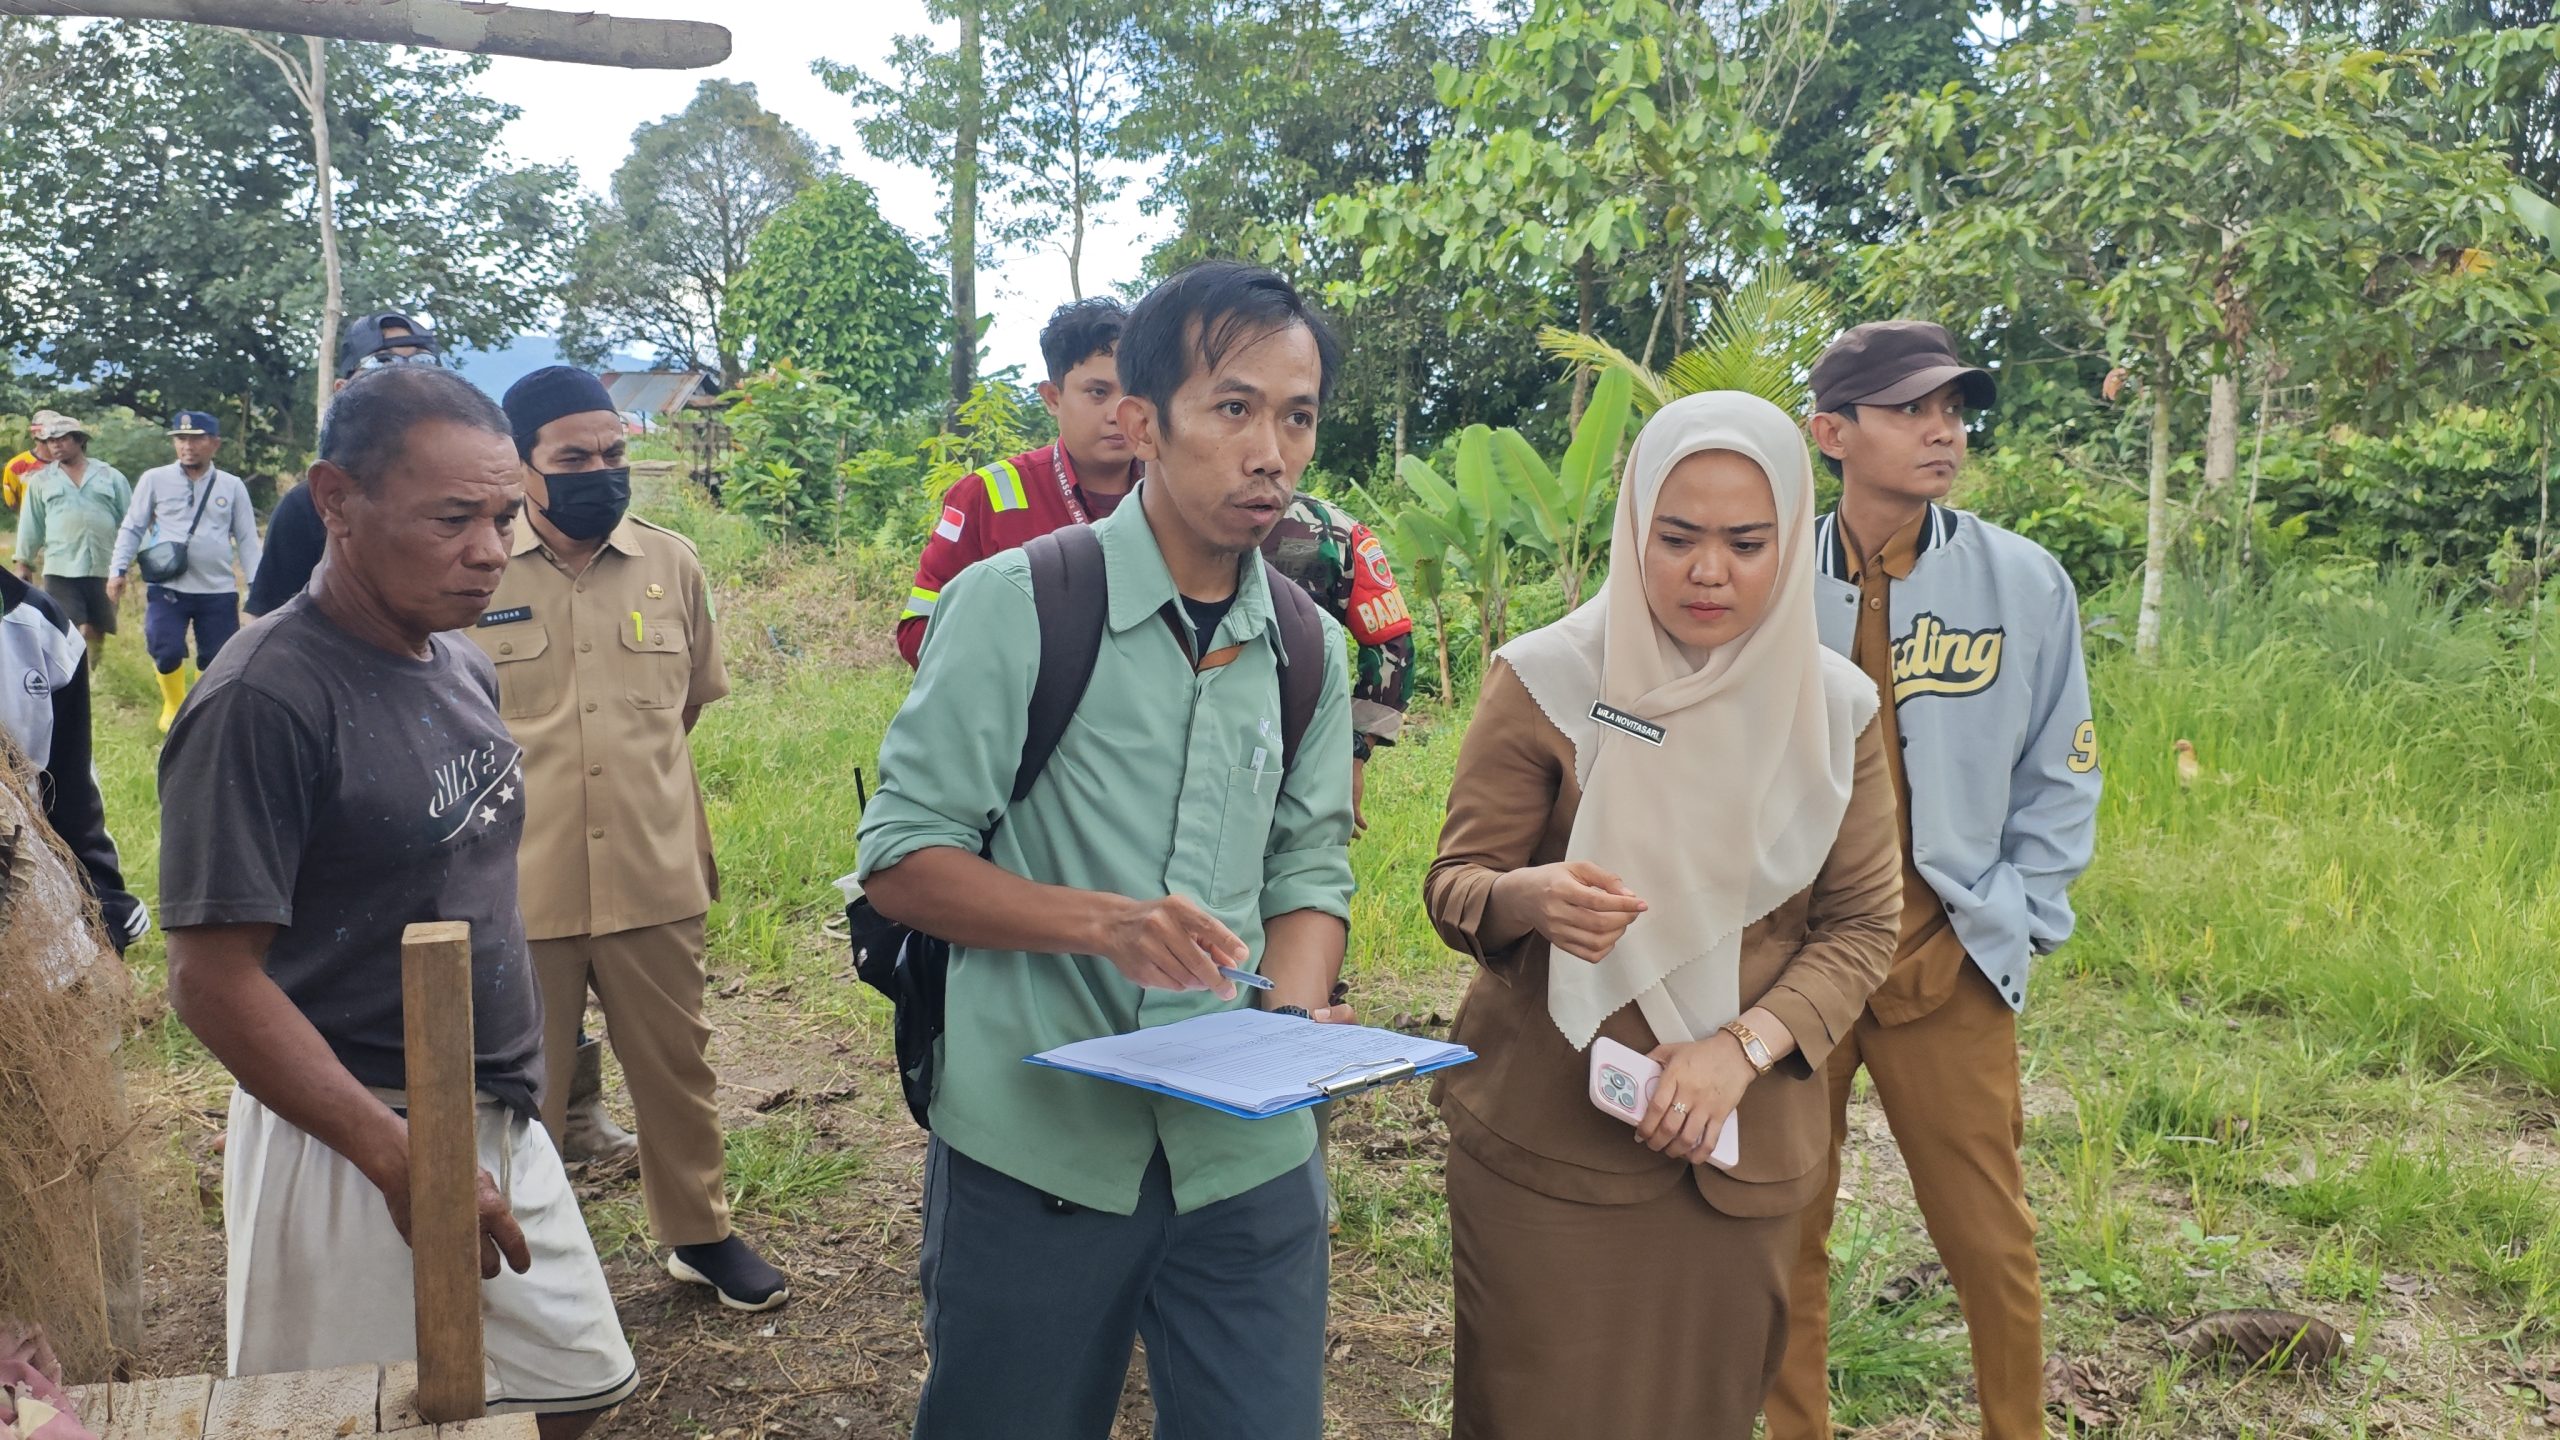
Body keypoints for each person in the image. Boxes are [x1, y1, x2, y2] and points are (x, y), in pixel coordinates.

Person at [855, 261, 1358, 1440]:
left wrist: (1289, 1023)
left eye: (1296, 418)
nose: (1270, 454)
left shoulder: (1307, 648)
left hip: (1245, 1161)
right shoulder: (1017, 604)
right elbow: (903, 858)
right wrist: (1108, 924)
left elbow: (1308, 870)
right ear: (1140, 423)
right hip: (1041, 1150)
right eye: (1232, 409)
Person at [159, 364, 636, 1437]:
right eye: (451, 519)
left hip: (490, 1106)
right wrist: (394, 1155)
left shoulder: (458, 662)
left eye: (504, 516)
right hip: (349, 1134)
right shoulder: (263, 699)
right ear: (336, 500)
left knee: (576, 1387)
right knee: (357, 1418)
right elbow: (210, 980)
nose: (491, 550)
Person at [1423, 390, 1902, 1438]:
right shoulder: (1549, 679)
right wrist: (1526, 898)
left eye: (1745, 543)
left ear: (1791, 541)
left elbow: (1864, 924)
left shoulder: (1833, 711)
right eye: (1676, 538)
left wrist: (1741, 1049)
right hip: (1551, 1140)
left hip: (1738, 1148)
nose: (1707, 571)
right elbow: (1456, 884)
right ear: (1634, 528)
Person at [1766, 322, 2101, 1440]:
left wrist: (2014, 919)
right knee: (1784, 1230)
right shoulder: (1766, 576)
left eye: (1953, 408)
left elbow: (2061, 769)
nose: (1943, 430)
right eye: (1910, 409)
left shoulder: (2022, 582)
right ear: (1831, 433)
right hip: (1794, 970)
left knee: (1988, 1238)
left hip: (1944, 960)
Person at [465, 365, 786, 1313]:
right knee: (518, 1089)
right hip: (519, 882)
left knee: (676, 1067)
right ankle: (519, 1266)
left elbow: (684, 708)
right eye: (573, 459)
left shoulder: (670, 564)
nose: (601, 472)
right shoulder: (479, 571)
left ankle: (700, 1235)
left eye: (613, 453)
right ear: (522, 466)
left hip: (652, 865)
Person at [896, 300, 1416, 821]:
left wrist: (1351, 750)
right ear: (1054, 397)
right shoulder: (991, 496)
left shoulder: (1217, 510)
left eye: (1298, 418)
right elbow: (922, 628)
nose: (1268, 457)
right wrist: (1025, 681)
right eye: (1097, 392)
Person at [246, 311, 445, 618]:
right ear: (342, 389)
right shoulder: (311, 505)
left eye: (423, 363)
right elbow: (266, 625)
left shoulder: (476, 489)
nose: (407, 378)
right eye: (383, 364)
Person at [108, 412, 263, 731]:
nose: (187, 446)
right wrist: (117, 569)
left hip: (217, 589)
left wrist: (257, 587)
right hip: (169, 586)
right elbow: (133, 526)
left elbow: (247, 538)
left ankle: (202, 712)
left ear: (215, 444)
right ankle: (174, 706)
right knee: (164, 647)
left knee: (216, 656)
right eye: (181, 439)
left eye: (196, 439)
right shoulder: (154, 479)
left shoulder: (231, 486)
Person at [15, 415, 133, 655]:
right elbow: (31, 524)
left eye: (63, 439)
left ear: (80, 441)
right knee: (64, 627)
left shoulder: (109, 476)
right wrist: (23, 562)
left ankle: (93, 672)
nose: (56, 445)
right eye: (51, 441)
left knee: (98, 627)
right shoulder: (41, 481)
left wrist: (139, 559)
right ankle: (70, 671)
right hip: (61, 567)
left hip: (103, 565)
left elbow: (132, 519)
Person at [4, 411, 63, 513]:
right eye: (45, 440)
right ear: (33, 435)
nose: (51, 443)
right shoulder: (16, 466)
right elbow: (13, 504)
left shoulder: (72, 462)